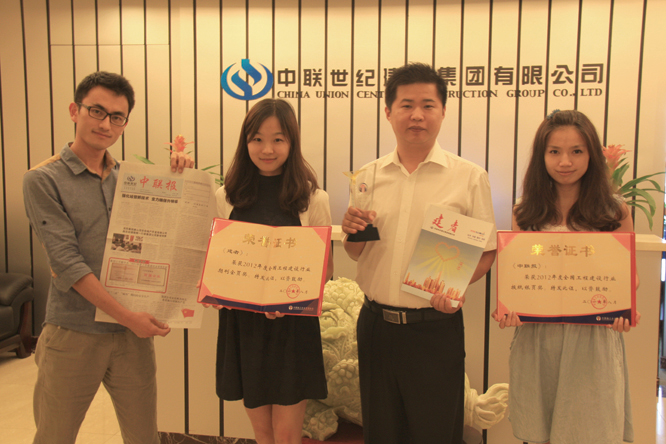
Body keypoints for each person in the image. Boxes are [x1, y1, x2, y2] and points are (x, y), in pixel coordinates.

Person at [23, 71, 193, 444]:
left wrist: (180, 178)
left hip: (131, 338)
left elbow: (168, 236)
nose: (105, 124)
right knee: (55, 436)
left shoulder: (129, 179)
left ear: (124, 123)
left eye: (117, 117)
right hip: (73, 333)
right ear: (75, 111)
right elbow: (67, 263)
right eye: (97, 111)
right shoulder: (43, 179)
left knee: (143, 436)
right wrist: (128, 317)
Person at [341, 63, 497, 444]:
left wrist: (456, 287)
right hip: (376, 326)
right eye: (406, 105)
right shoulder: (367, 177)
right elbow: (356, 253)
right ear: (388, 111)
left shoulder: (469, 177)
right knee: (380, 432)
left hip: (434, 329)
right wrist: (351, 230)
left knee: (436, 433)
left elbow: (487, 252)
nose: (417, 115)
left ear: (443, 111)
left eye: (428, 105)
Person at [493, 109, 637, 444]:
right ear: (541, 156)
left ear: (591, 155)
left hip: (594, 339)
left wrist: (623, 310)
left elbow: (629, 279)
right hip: (538, 339)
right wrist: (510, 308)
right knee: (537, 431)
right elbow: (517, 278)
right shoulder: (524, 212)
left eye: (576, 151)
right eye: (554, 151)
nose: (565, 161)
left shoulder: (614, 211)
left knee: (590, 430)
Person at [213, 98, 333, 444]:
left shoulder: (313, 198)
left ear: (292, 143)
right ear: (245, 142)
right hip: (244, 325)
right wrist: (219, 291)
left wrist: (287, 299)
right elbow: (220, 261)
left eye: (278, 139)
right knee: (262, 433)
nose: (267, 149)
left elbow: (324, 268)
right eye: (257, 139)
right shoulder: (226, 196)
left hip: (292, 327)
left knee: (287, 434)